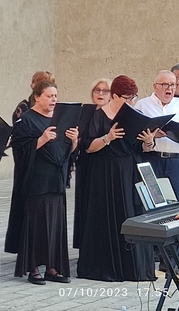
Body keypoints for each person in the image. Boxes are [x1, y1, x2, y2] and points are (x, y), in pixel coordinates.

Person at [76, 75, 157, 282]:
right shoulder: (99, 115)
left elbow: (141, 147)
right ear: (114, 96)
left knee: (131, 213)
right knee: (107, 216)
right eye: (126, 97)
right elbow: (88, 146)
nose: (130, 102)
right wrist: (108, 138)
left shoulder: (135, 115)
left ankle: (133, 267)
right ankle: (106, 266)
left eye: (133, 97)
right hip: (105, 171)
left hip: (129, 169)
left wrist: (149, 143)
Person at [5, 81, 78, 285]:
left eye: (56, 96)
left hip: (56, 179)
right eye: (49, 96)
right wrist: (41, 139)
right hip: (37, 181)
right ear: (37, 97)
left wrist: (74, 142)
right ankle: (34, 267)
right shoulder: (26, 120)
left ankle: (52, 267)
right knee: (37, 224)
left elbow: (65, 152)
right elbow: (19, 153)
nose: (54, 99)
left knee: (55, 224)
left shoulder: (60, 118)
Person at [73, 78, 111, 249]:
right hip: (86, 163)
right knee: (85, 203)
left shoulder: (113, 113)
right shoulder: (85, 111)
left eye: (105, 91)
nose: (101, 94)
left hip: (104, 164)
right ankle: (85, 245)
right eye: (97, 90)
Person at [135, 70, 179, 201]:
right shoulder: (142, 104)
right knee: (152, 201)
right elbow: (134, 135)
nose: (170, 88)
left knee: (175, 201)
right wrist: (150, 136)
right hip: (152, 159)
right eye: (165, 85)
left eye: (173, 85)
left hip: (176, 161)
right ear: (155, 86)